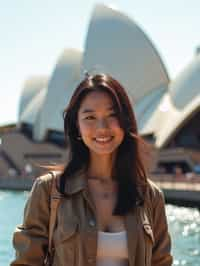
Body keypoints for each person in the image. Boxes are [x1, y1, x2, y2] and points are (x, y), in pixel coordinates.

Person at [11, 73, 173, 266]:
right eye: (90, 117)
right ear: (77, 127)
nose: (102, 127)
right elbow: (26, 262)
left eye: (112, 115)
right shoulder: (49, 190)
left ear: (125, 121)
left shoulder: (150, 196)